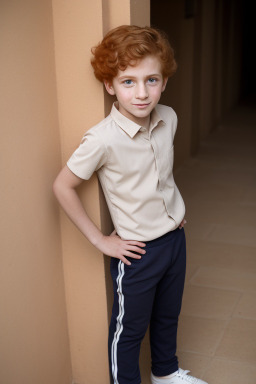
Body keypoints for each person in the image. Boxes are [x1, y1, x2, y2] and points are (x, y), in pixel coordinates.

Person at [53, 25, 208, 384]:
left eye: (151, 80)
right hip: (137, 253)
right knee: (129, 331)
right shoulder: (102, 140)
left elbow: (159, 175)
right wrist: (100, 240)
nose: (142, 93)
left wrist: (173, 210)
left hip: (174, 240)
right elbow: (62, 186)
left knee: (168, 316)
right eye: (128, 82)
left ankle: (165, 374)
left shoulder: (168, 118)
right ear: (110, 85)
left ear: (164, 81)